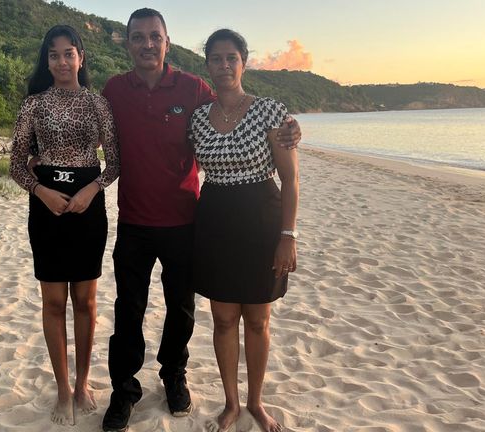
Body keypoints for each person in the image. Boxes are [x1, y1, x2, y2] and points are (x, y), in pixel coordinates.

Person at [100, 9, 301, 432]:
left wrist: (290, 128)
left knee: (182, 309)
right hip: (134, 220)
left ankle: (174, 376)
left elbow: (240, 115)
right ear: (128, 43)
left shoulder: (194, 90)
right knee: (129, 309)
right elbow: (91, 126)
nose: (147, 44)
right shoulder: (114, 89)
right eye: (138, 37)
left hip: (186, 220)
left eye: (155, 36)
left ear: (167, 42)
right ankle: (124, 389)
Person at [189, 29, 299, 432]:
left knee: (257, 319)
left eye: (231, 58)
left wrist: (288, 236)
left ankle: (255, 401)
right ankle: (231, 403)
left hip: (261, 222)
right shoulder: (198, 117)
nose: (223, 66)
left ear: (244, 62)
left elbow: (290, 179)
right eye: (215, 59)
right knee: (222, 319)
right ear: (207, 67)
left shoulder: (271, 112)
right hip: (215, 220)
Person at [9, 24, 119, 426]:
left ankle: (84, 382)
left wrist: (92, 189)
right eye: (53, 55)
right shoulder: (33, 105)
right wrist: (42, 192)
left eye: (68, 53)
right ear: (47, 60)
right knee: (54, 303)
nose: (61, 61)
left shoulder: (97, 103)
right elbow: (16, 165)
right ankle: (61, 388)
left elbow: (115, 163)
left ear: (81, 57)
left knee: (86, 302)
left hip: (89, 207)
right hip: (47, 210)